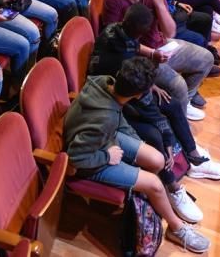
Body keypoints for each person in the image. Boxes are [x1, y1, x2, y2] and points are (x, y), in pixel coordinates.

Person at [63, 57, 210, 253]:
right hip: (89, 160)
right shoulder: (103, 119)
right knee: (155, 185)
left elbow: (118, 118)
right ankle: (177, 228)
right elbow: (75, 158)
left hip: (103, 138)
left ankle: (158, 200)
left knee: (156, 158)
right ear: (140, 94)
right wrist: (108, 157)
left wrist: (136, 146)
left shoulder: (105, 81)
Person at [89, 3, 220, 183]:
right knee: (155, 133)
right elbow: (154, 115)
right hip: (111, 102)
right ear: (140, 31)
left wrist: (152, 64)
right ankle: (172, 184)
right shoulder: (122, 62)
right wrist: (169, 141)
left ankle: (192, 155)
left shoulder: (114, 30)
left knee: (172, 103)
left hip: (124, 88)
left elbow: (133, 47)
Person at [102, 0, 214, 120]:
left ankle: (186, 102)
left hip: (162, 46)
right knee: (178, 85)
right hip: (139, 58)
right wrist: (152, 54)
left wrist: (159, 3)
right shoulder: (113, 0)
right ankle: (180, 124)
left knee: (206, 58)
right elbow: (118, 41)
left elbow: (170, 32)